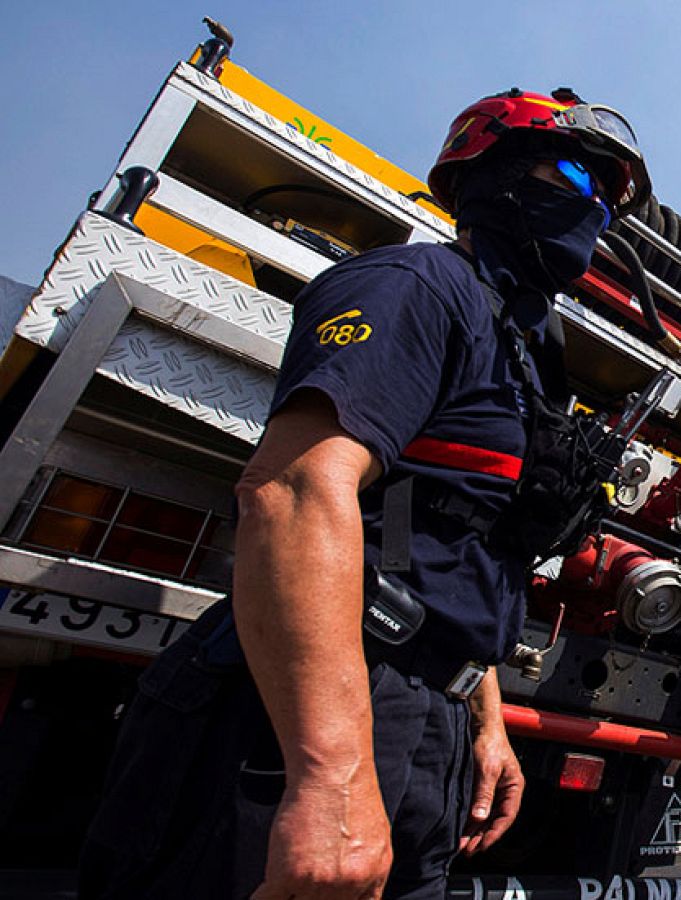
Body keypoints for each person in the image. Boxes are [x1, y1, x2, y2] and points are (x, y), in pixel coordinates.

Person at [78, 88, 651, 899]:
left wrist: (481, 716)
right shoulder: (414, 285)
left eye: (605, 197)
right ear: (493, 173)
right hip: (315, 708)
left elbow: (441, 544)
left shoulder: (523, 349)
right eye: (571, 174)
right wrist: (330, 778)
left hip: (427, 724)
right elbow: (294, 489)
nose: (591, 207)